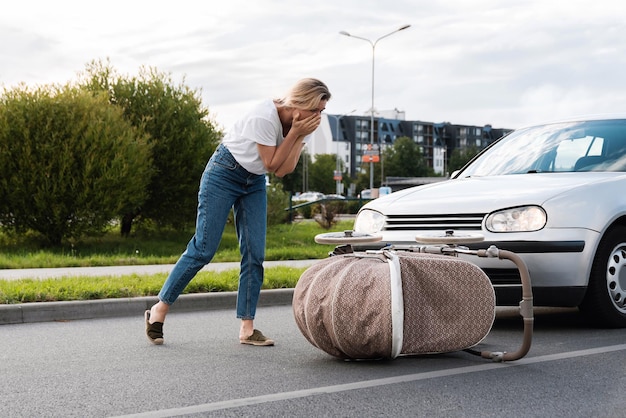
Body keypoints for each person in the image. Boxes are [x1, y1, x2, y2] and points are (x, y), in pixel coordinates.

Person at [145, 78, 331, 346]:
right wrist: (293, 134)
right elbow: (270, 163)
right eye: (316, 110)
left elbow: (283, 170)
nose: (319, 117)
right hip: (224, 172)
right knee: (203, 249)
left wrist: (299, 133)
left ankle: (247, 328)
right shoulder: (264, 116)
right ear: (300, 104)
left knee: (255, 253)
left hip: (253, 181)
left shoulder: (304, 128)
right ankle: (159, 311)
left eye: (322, 112)